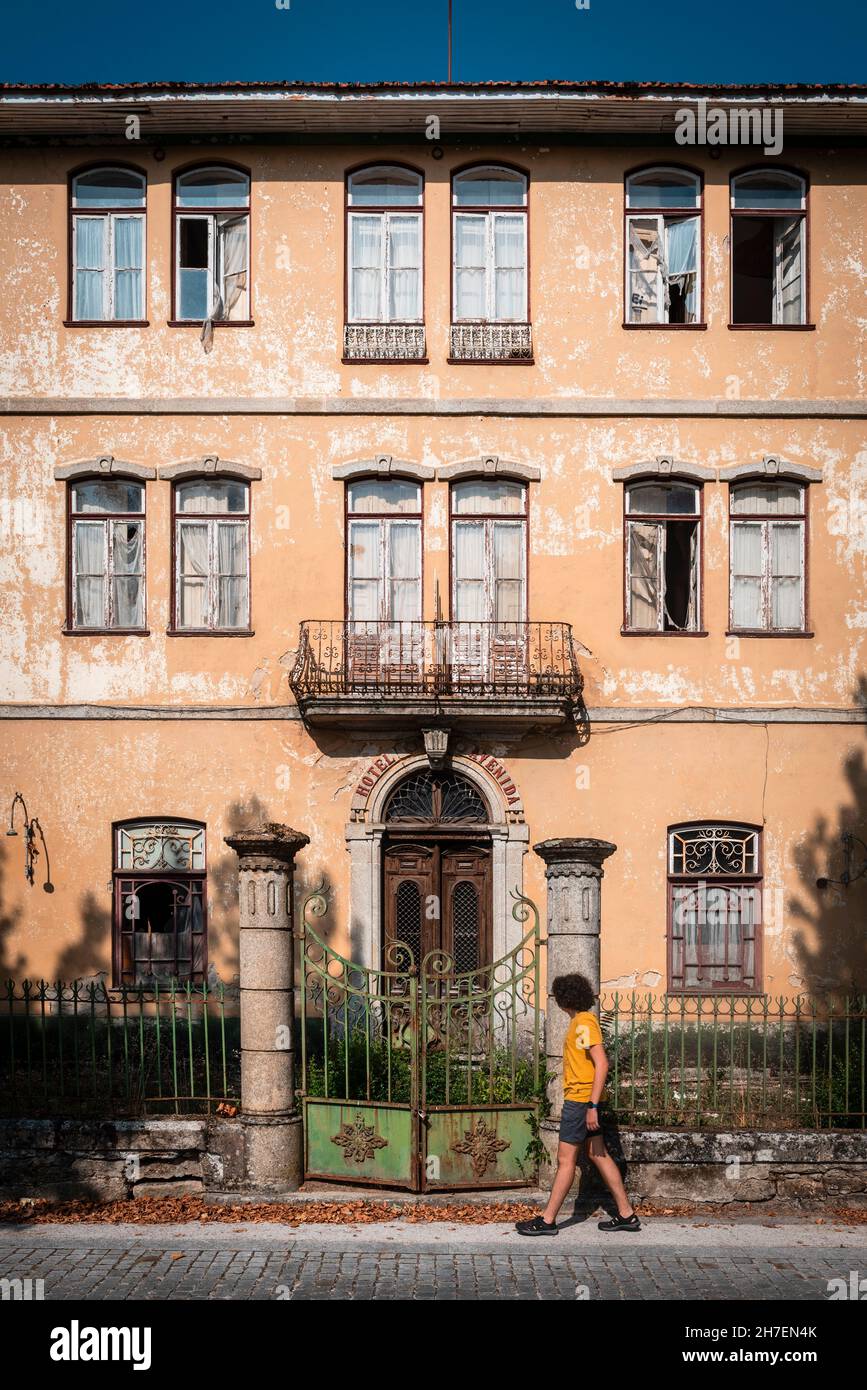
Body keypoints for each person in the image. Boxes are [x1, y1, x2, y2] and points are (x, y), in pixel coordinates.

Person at [515, 972, 640, 1236]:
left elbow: (602, 1063)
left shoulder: (583, 1024)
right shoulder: (583, 1022)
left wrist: (592, 1106)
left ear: (564, 999)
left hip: (581, 1101)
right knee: (598, 1154)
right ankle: (627, 1214)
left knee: (565, 1160)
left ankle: (548, 1220)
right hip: (585, 1100)